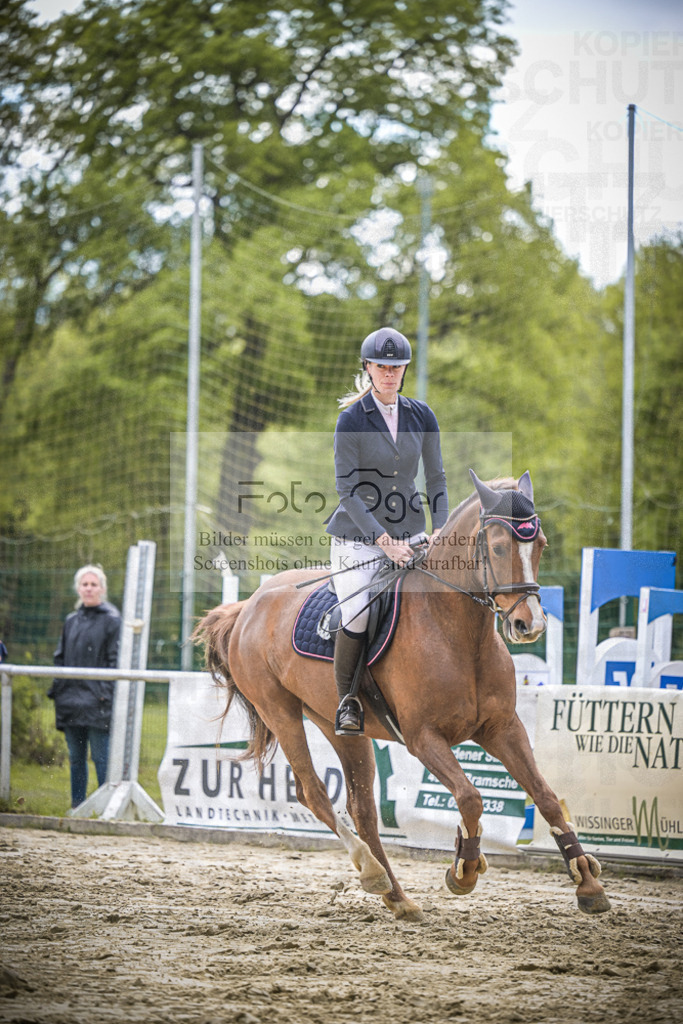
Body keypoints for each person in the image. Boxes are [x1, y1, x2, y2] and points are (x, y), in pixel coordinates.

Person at [325, 327, 449, 735]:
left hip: (412, 531)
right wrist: (384, 543)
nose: (390, 373)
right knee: (357, 613)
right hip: (358, 539)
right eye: (382, 366)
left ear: (404, 370)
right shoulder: (351, 420)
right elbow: (347, 491)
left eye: (396, 367)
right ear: (368, 368)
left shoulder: (421, 415)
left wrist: (442, 530)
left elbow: (436, 478)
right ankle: (348, 701)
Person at [48, 564, 121, 808]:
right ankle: (77, 806)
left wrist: (103, 694)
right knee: (76, 758)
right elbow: (60, 658)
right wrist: (58, 690)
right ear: (78, 588)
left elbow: (115, 661)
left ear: (102, 588)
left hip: (97, 702)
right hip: (70, 702)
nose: (88, 589)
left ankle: (104, 808)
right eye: (84, 584)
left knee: (101, 757)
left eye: (93, 584)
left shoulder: (112, 621)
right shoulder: (71, 621)